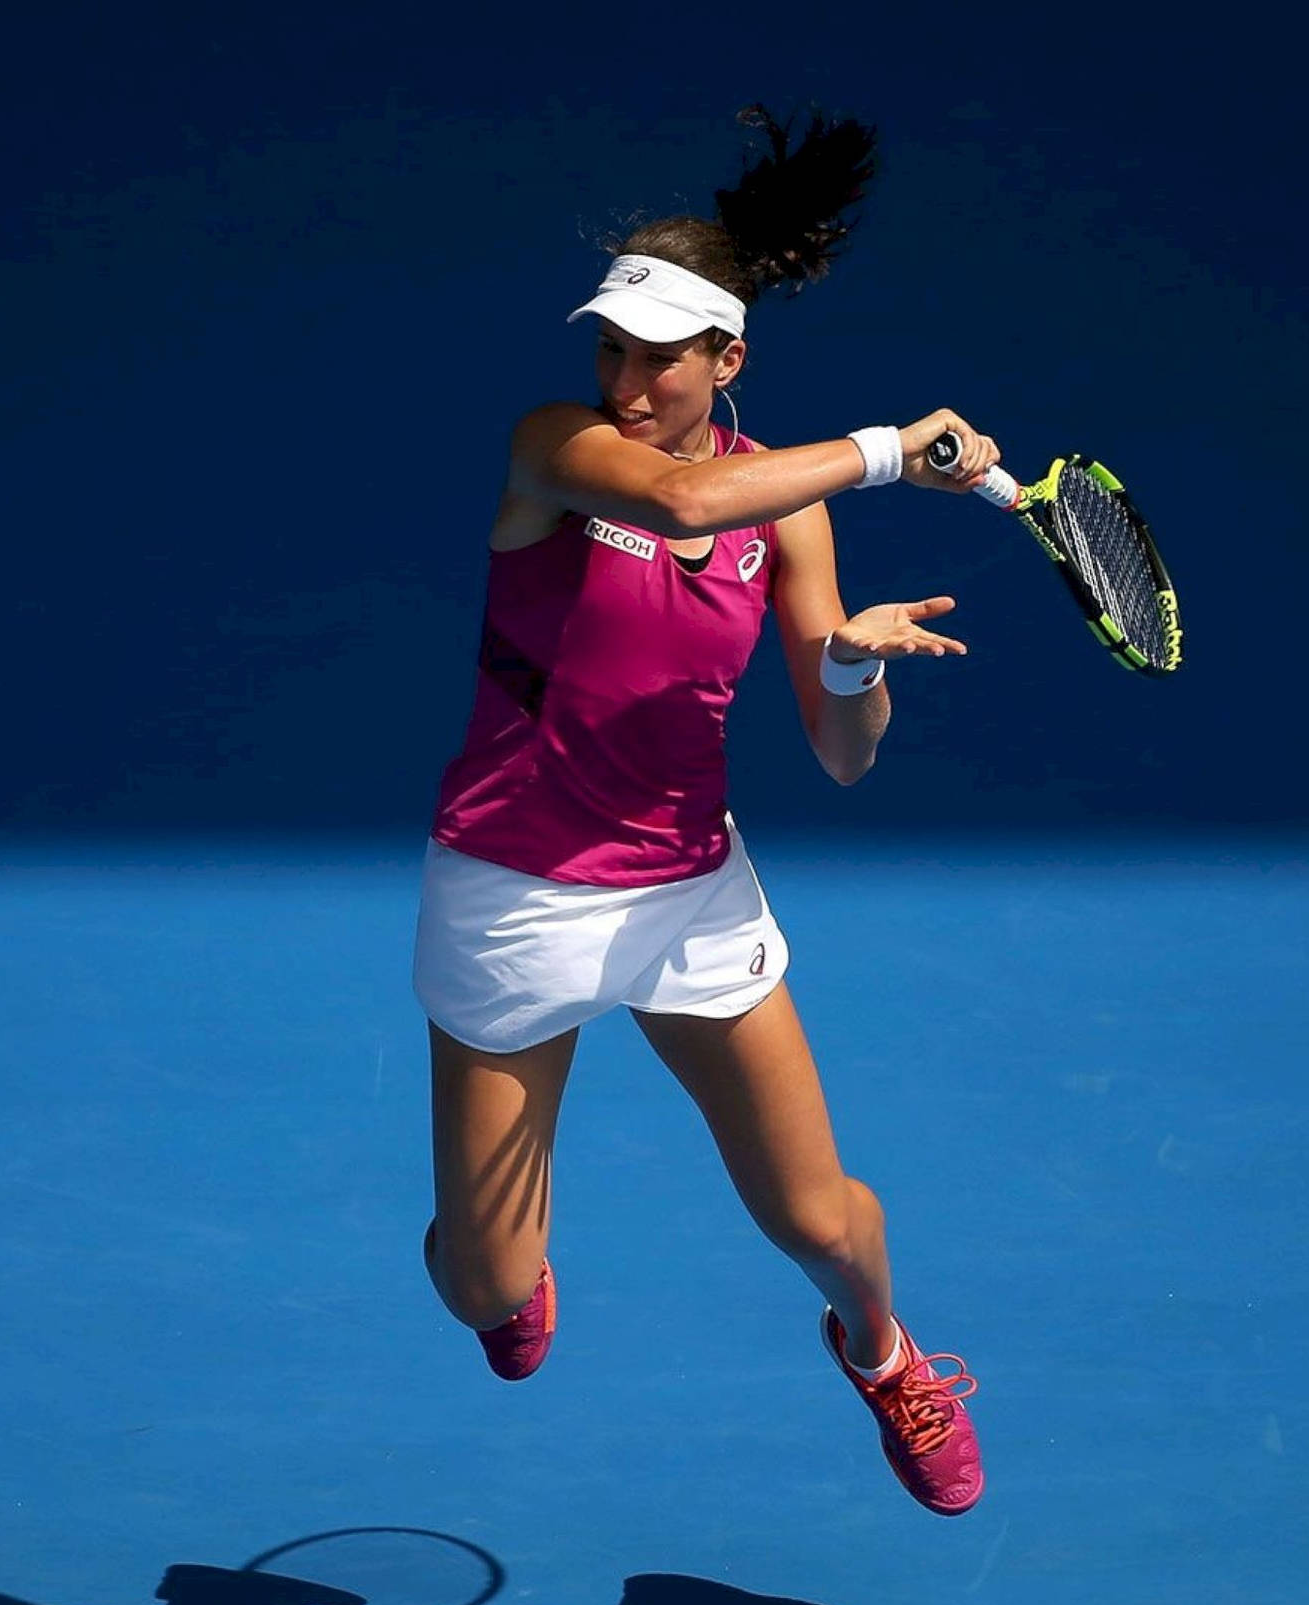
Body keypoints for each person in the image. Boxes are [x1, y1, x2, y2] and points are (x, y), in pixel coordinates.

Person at [411, 106, 993, 1516]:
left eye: (658, 357)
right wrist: (888, 448)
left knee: (816, 1216)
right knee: (483, 1282)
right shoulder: (559, 448)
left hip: (687, 891)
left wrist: (851, 657)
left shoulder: (789, 514)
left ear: (728, 359)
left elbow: (840, 753)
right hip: (514, 890)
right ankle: (505, 1270)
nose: (625, 380)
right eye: (610, 347)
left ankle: (886, 1352)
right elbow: (679, 501)